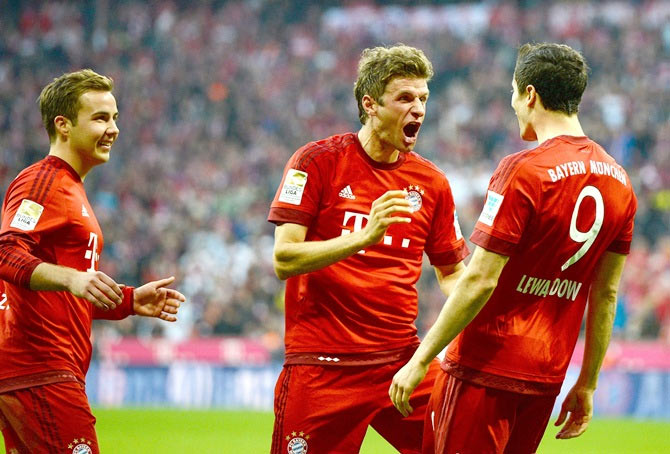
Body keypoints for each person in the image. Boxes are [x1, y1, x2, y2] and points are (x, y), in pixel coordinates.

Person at [389, 42, 638, 454]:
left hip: (483, 370)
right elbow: (606, 292)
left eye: (513, 93)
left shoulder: (523, 170)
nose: (513, 105)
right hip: (546, 377)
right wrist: (587, 383)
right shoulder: (620, 181)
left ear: (530, 95)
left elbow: (481, 280)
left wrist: (420, 360)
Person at [267, 44, 469, 454]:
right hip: (323, 367)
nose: (418, 109)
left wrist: (485, 299)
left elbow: (453, 275)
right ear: (370, 104)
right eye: (405, 98)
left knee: (464, 443)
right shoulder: (316, 162)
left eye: (424, 99)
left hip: (401, 362)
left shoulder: (431, 182)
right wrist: (362, 237)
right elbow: (284, 258)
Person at [0, 69, 185, 454]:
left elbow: (64, 290)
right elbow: (6, 252)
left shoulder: (71, 188)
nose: (113, 128)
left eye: (115, 117)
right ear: (63, 125)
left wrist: (131, 301)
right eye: (100, 118)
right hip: (40, 369)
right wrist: (72, 278)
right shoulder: (42, 181)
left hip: (48, 370)